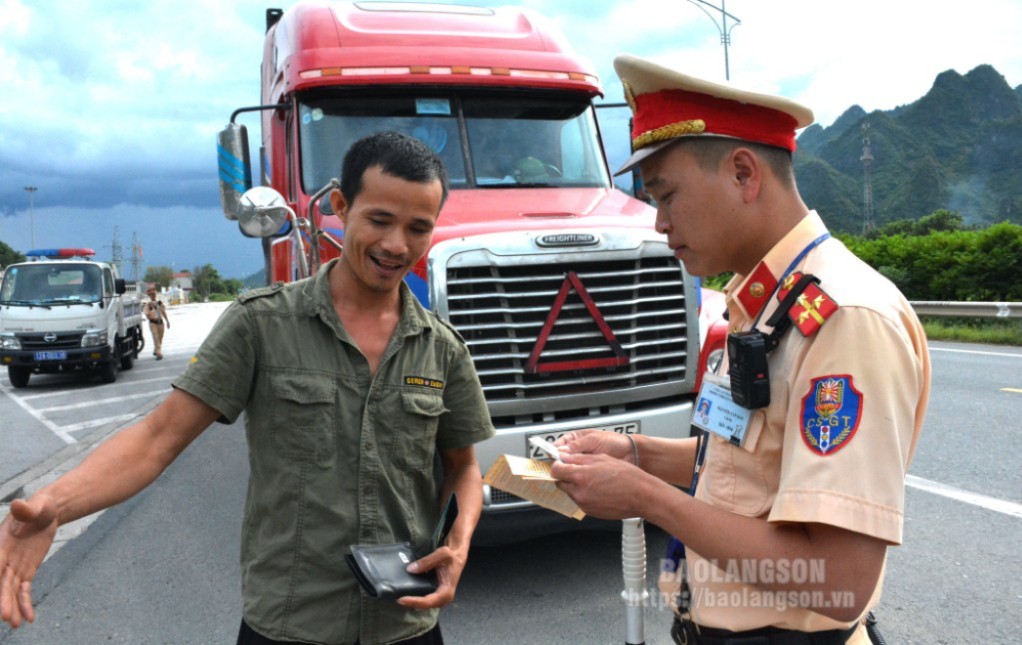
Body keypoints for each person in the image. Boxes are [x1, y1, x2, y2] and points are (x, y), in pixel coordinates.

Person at [0, 131, 496, 645]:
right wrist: (54, 505)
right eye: (379, 220)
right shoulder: (261, 325)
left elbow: (462, 466)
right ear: (342, 208)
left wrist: (458, 544)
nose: (397, 245)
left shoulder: (442, 347)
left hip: (406, 621)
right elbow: (156, 439)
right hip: (289, 623)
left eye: (418, 228)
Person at [551, 55, 930, 644]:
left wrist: (647, 498)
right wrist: (635, 454)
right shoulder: (764, 302)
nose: (659, 224)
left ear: (744, 175)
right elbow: (743, 464)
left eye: (667, 195)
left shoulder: (845, 319)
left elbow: (841, 579)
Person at [144, 288, 170, 359]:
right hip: (153, 323)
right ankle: (159, 353)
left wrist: (167, 321)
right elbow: (147, 315)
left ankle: (156, 350)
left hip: (160, 323)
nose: (153, 296)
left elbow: (163, 312)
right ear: (149, 296)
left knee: (160, 338)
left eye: (154, 294)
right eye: (151, 294)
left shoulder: (159, 303)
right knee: (156, 338)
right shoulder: (148, 305)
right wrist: (153, 318)